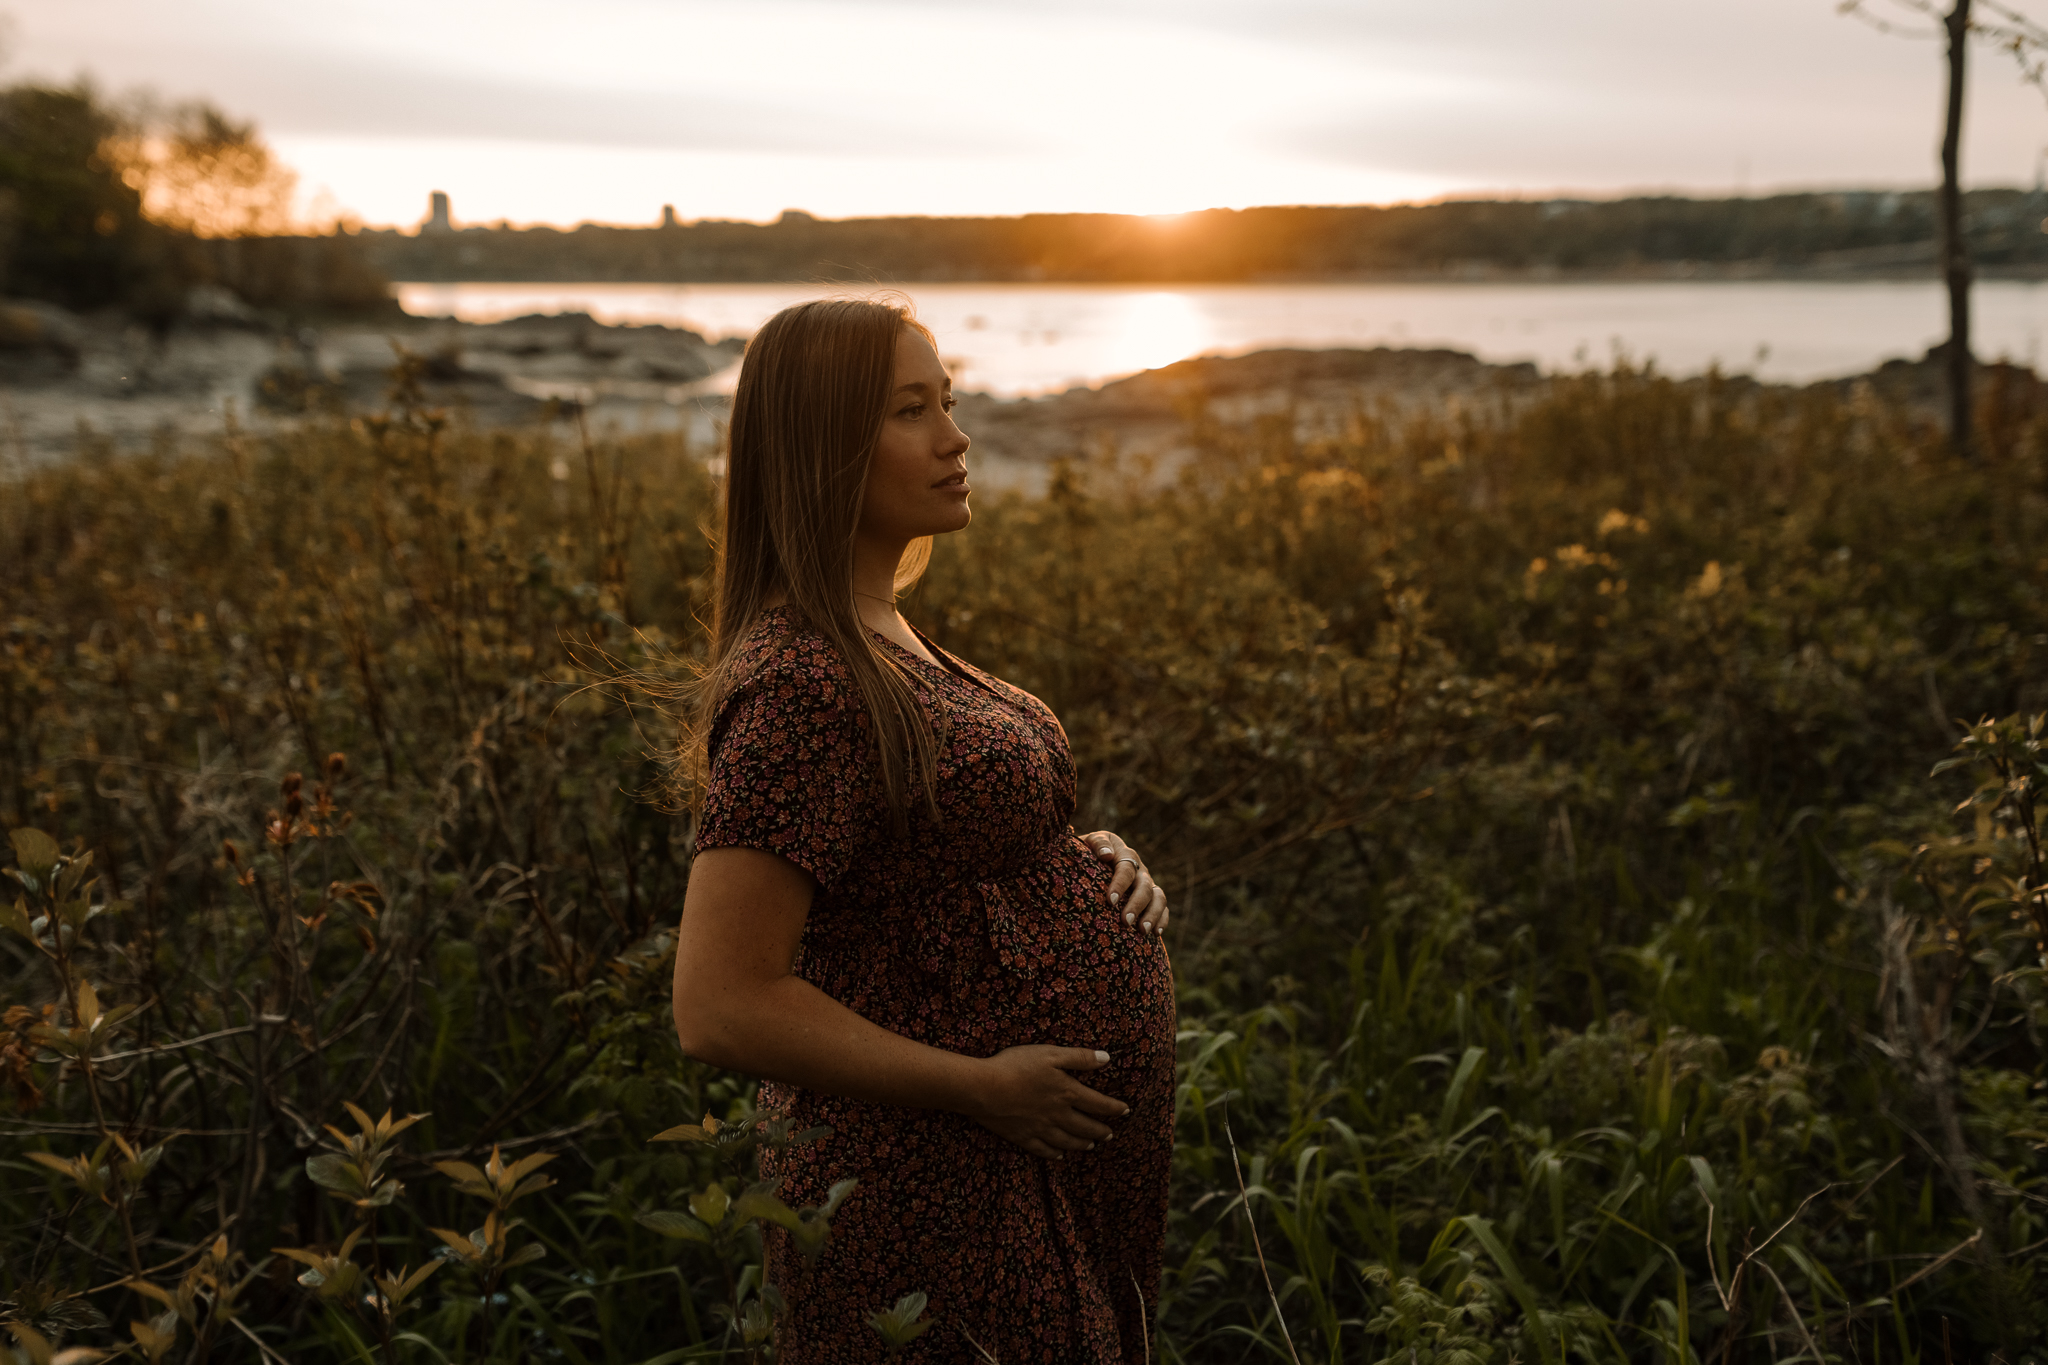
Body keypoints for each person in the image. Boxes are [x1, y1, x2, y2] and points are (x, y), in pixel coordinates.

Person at [669, 297, 1176, 1362]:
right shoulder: (801, 680)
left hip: (1024, 1176)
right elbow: (718, 1003)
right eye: (911, 411)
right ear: (824, 445)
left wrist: (1078, 861)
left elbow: (932, 853)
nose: (953, 437)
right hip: (931, 1189)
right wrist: (981, 1087)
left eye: (945, 401)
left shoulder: (882, 632)